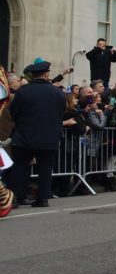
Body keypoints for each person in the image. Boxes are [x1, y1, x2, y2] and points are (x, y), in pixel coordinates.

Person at [5, 60, 65, 207]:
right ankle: (42, 198)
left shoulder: (23, 91)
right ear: (46, 74)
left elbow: (15, 112)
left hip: (24, 135)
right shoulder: (57, 92)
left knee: (20, 167)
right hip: (48, 136)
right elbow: (61, 112)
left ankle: (17, 197)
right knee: (45, 168)